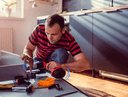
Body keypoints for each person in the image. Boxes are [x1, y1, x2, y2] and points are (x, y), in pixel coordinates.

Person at [20, 14, 90, 72]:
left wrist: (61, 66)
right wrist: (28, 56)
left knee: (62, 53)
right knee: (25, 71)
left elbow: (85, 64)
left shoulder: (69, 39)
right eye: (47, 33)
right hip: (38, 60)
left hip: (55, 64)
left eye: (54, 34)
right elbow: (28, 48)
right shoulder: (39, 30)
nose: (49, 38)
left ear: (63, 30)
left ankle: (54, 73)